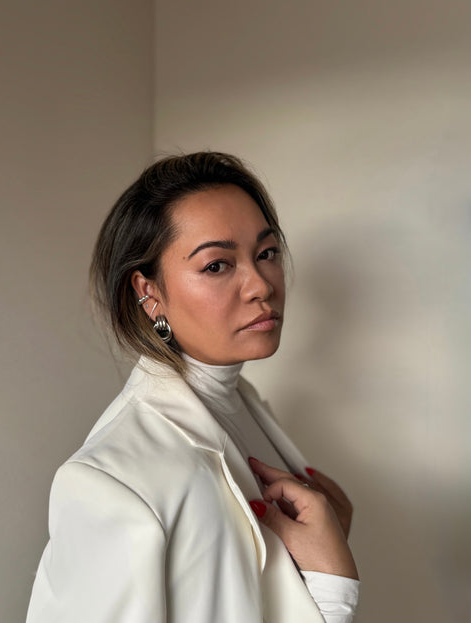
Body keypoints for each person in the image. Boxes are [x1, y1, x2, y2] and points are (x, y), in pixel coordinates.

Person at [26, 152, 359, 623]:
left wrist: (321, 550)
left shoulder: (247, 405)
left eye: (266, 253)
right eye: (217, 265)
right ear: (148, 293)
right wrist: (333, 587)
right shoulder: (112, 483)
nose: (260, 286)